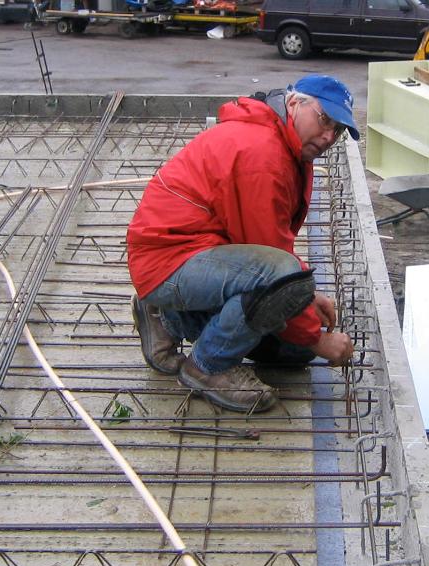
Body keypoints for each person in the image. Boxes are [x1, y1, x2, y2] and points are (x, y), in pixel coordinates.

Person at [127, 74, 359, 414]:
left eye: (337, 131)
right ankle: (208, 367)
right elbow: (275, 266)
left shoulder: (282, 143)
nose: (328, 137)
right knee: (287, 292)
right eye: (324, 120)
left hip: (196, 255)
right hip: (167, 260)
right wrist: (318, 339)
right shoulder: (262, 153)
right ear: (295, 103)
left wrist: (307, 300)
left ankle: (168, 317)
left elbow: (267, 244)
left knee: (294, 352)